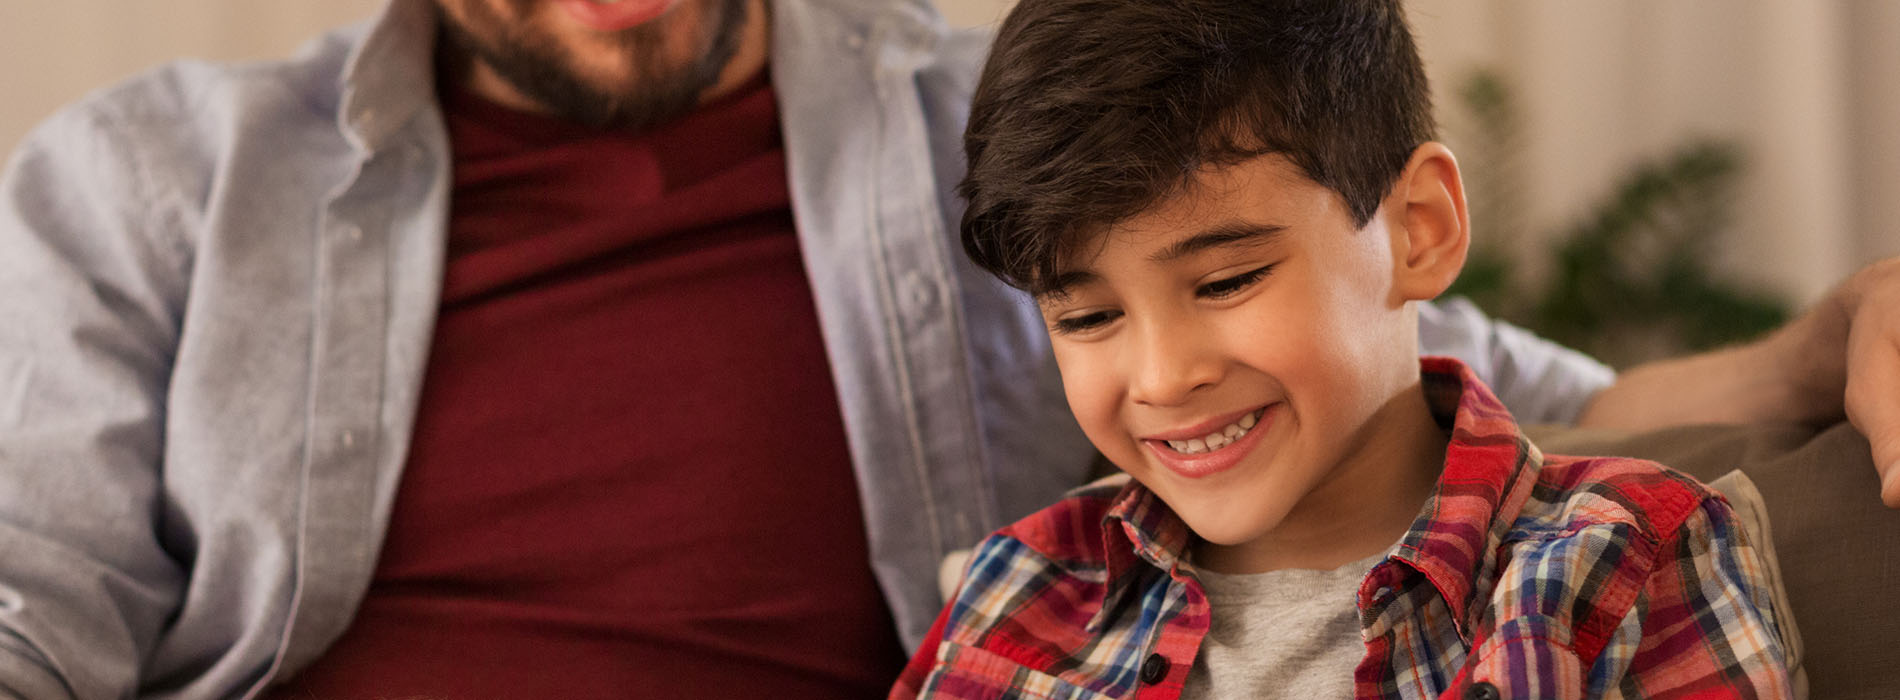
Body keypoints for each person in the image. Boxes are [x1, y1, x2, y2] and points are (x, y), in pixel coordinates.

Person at [0, 0, 1886, 697]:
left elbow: (1442, 372)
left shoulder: (1003, 132)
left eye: (1191, 290)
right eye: (1084, 321)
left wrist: (1838, 340)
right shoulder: (149, 182)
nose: (1151, 359)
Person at [891, 0, 1791, 697]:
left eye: (1227, 281)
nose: (1164, 377)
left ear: (1418, 230)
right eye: (1087, 318)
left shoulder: (1622, 567)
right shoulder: (1019, 589)